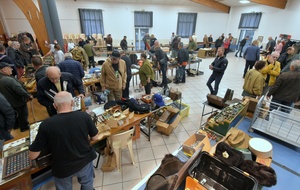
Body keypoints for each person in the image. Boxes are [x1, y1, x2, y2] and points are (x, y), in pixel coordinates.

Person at [29, 91, 98, 190]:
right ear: (72, 103)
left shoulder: (46, 124)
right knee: (87, 184)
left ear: (54, 106)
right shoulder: (84, 116)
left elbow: (33, 155)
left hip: (63, 167)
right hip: (85, 161)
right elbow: (95, 137)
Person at [0, 62, 32, 132]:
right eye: (9, 68)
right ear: (3, 70)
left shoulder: (2, 78)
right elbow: (19, 90)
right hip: (18, 101)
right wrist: (28, 95)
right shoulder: (9, 79)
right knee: (23, 115)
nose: (11, 69)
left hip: (9, 102)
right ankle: (24, 127)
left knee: (16, 115)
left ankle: (16, 126)